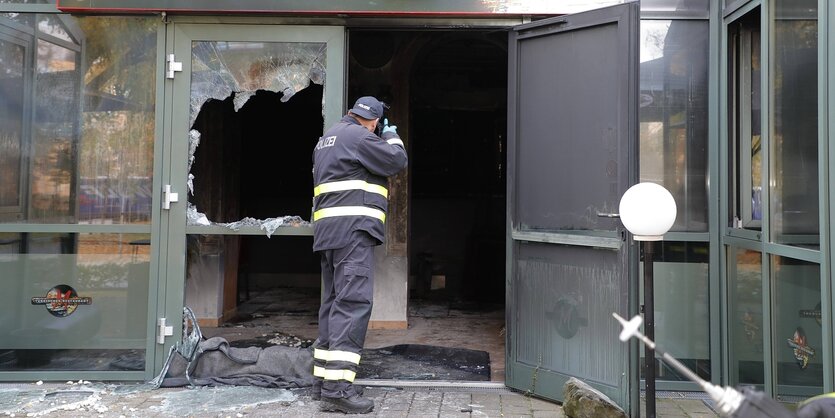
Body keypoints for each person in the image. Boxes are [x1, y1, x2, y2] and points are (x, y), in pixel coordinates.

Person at [311, 96, 407, 414]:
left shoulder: (326, 139)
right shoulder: (360, 136)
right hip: (352, 233)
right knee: (353, 305)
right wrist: (391, 136)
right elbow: (395, 161)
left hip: (328, 235)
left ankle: (323, 383)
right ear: (373, 121)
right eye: (378, 124)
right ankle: (337, 390)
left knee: (333, 305)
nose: (377, 128)